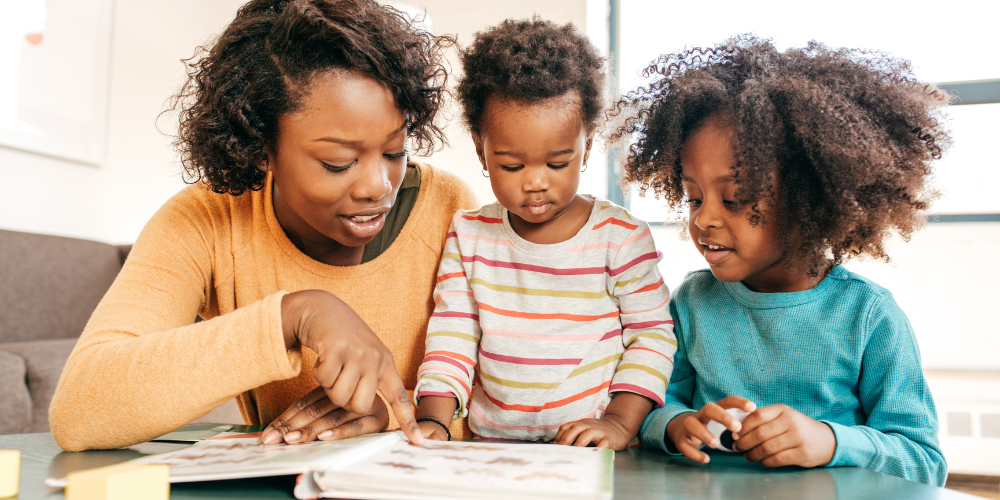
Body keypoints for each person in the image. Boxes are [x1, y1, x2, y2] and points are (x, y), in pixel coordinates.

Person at [48, 0, 477, 451]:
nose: (377, 186)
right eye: (339, 162)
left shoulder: (450, 210)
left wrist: (393, 412)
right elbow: (79, 411)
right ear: (260, 146)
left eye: (395, 151)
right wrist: (293, 315)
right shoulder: (206, 221)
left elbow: (517, 399)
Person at [612, 35, 949, 485]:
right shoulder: (693, 300)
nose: (704, 218)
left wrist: (830, 441)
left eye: (734, 198)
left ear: (809, 200)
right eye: (693, 198)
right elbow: (655, 404)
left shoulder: (868, 316)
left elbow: (923, 460)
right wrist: (676, 425)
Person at [412, 19, 676, 451]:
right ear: (482, 150)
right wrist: (434, 424)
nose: (535, 183)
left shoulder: (620, 237)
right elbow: (452, 335)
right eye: (512, 166)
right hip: (492, 450)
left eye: (557, 163)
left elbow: (652, 336)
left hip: (593, 449)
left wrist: (618, 424)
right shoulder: (469, 235)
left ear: (586, 147)